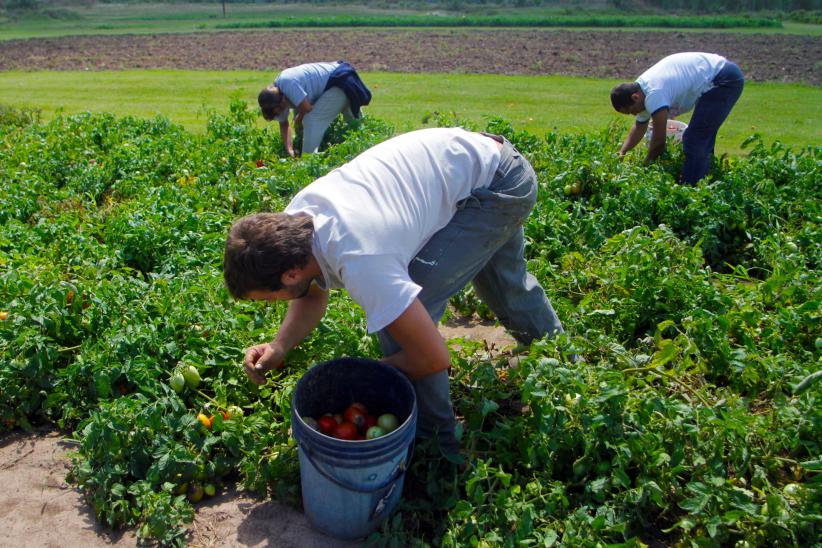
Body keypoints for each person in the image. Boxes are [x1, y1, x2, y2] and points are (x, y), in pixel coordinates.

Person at [223, 128, 565, 454]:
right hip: (479, 164)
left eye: (267, 298)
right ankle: (567, 363)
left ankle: (437, 444)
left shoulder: (361, 259)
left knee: (407, 316)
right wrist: (280, 344)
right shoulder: (295, 223)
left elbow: (433, 357)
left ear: (289, 273)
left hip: (498, 185)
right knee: (506, 287)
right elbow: (311, 292)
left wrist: (359, 382)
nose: (271, 304)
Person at [610, 52, 744, 185]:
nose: (634, 114)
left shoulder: (653, 93)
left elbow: (659, 143)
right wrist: (622, 151)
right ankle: (706, 180)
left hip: (723, 80)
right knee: (701, 136)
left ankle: (692, 191)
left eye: (631, 111)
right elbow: (640, 126)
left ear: (635, 97)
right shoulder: (642, 90)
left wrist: (644, 168)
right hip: (716, 75)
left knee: (695, 138)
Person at [258, 61, 372, 157]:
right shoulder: (276, 97)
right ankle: (366, 148)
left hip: (340, 80)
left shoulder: (287, 83)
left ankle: (308, 163)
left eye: (280, 109)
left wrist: (299, 118)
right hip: (335, 84)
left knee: (311, 120)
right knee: (354, 126)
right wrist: (289, 149)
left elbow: (307, 108)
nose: (282, 111)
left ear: (281, 101)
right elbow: (284, 124)